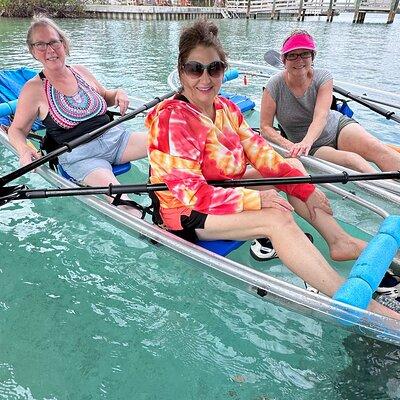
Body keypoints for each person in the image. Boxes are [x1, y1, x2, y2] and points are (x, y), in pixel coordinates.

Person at [145, 20, 399, 318]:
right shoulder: (173, 121)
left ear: (222, 71)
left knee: (289, 165)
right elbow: (192, 194)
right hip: (187, 210)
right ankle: (358, 304)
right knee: (276, 218)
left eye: (214, 68)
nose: (205, 78)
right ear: (181, 73)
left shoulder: (226, 109)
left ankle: (338, 241)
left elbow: (261, 153)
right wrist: (257, 200)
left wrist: (304, 188)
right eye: (194, 68)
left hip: (222, 186)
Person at [8, 16, 147, 215]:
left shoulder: (81, 71)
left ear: (63, 43)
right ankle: (157, 237)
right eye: (40, 44)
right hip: (81, 157)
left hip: (116, 138)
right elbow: (17, 130)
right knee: (125, 203)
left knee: (171, 142)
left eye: (54, 42)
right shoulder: (33, 89)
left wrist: (118, 93)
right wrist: (23, 149)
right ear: (32, 51)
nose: (50, 50)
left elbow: (106, 96)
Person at [260, 29, 400, 173]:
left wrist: (306, 141)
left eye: (305, 54)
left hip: (337, 127)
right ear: (284, 60)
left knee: (380, 149)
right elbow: (265, 127)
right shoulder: (274, 85)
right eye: (292, 55)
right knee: (354, 161)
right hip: (312, 147)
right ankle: (388, 192)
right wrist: (291, 145)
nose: (299, 60)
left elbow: (321, 116)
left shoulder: (323, 77)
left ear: (312, 57)